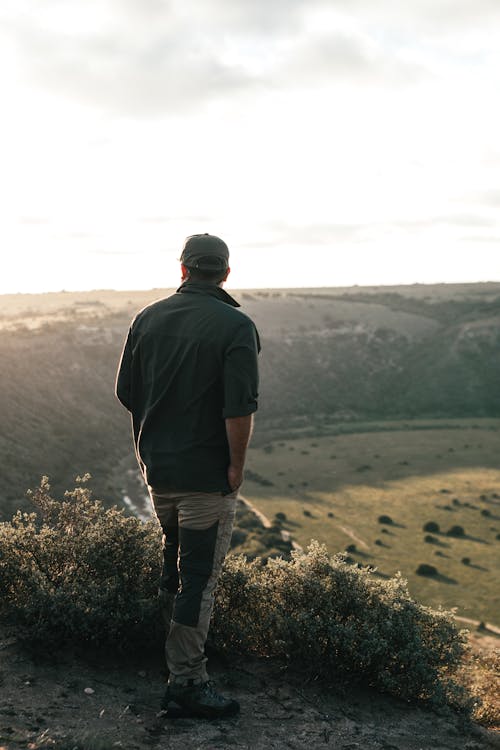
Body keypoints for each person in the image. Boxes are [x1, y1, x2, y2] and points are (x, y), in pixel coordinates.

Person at [115, 233, 260, 719]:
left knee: (173, 566)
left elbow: (126, 392)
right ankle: (188, 683)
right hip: (205, 477)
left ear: (182, 270)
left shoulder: (147, 318)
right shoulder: (235, 325)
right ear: (225, 274)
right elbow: (238, 409)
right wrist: (235, 466)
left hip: (158, 470)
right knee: (197, 578)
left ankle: (176, 662)